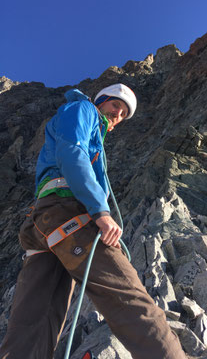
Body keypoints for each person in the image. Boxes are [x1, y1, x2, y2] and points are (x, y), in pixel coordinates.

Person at [0, 84, 186, 359]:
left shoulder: (92, 132)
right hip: (67, 211)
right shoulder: (82, 109)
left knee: (36, 319)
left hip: (44, 221)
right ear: (102, 101)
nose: (118, 115)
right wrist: (100, 212)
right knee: (127, 295)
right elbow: (71, 152)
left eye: (123, 114)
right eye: (115, 106)